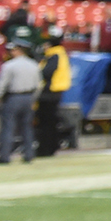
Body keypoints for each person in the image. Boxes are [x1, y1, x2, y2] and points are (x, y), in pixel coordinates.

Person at [0, 39, 41, 164]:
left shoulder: (9, 65)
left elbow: (1, 84)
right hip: (29, 97)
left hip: (13, 97)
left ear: (17, 50)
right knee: (27, 128)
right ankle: (29, 154)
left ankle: (5, 156)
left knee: (8, 127)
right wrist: (33, 99)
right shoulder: (33, 64)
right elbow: (38, 85)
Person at [33, 27, 69, 158]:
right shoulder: (60, 53)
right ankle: (51, 147)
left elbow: (46, 73)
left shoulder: (54, 55)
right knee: (51, 122)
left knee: (46, 123)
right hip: (56, 92)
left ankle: (45, 148)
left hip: (49, 93)